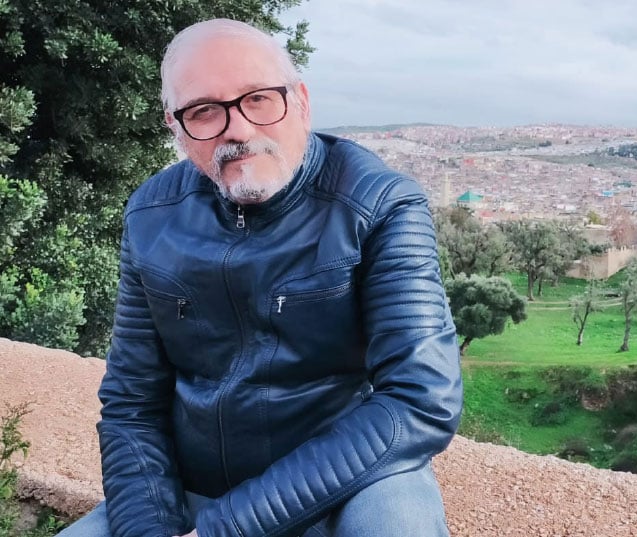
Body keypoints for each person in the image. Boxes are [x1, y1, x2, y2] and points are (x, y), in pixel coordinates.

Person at [59, 18, 462, 537]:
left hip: (346, 482)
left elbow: (420, 398)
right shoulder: (151, 216)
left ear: (301, 101)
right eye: (204, 111)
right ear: (175, 127)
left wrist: (228, 528)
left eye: (259, 99)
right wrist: (148, 528)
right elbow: (132, 401)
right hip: (195, 489)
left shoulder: (379, 204)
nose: (239, 129)